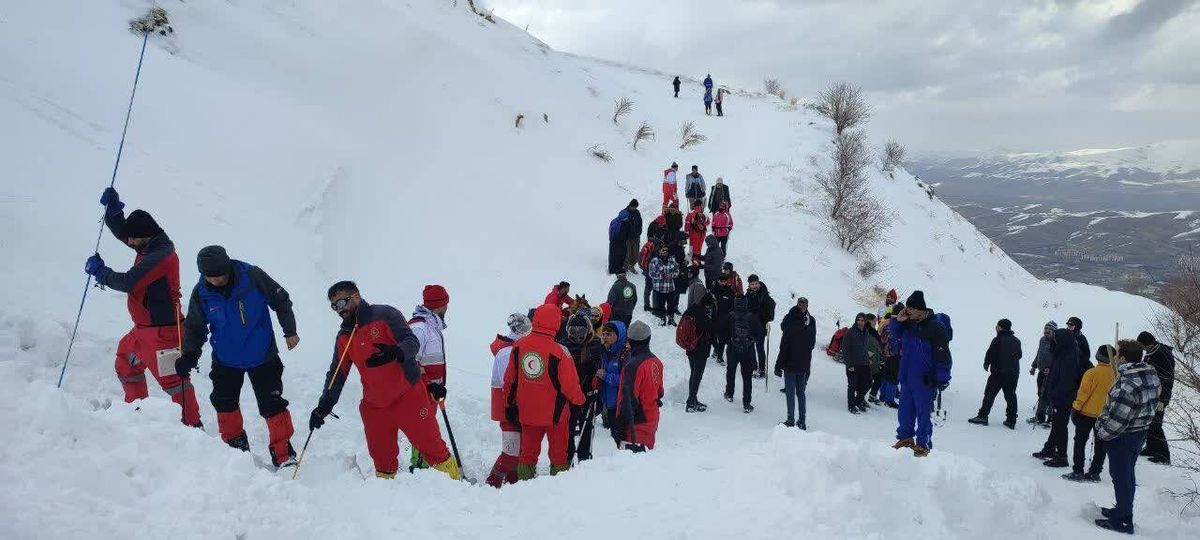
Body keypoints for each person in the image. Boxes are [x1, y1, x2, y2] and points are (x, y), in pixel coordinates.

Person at [309, 281, 460, 480]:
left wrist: (396, 352)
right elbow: (337, 374)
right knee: (383, 462)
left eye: (342, 302)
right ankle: (387, 502)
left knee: (434, 450)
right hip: (375, 407)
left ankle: (457, 490)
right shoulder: (345, 337)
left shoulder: (385, 315)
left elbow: (411, 341)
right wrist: (324, 405)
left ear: (355, 296)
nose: (339, 309)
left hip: (409, 397)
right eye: (334, 306)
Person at [85, 188, 200, 426]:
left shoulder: (162, 256)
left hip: (163, 333)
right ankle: (137, 414)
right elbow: (127, 235)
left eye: (133, 239)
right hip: (143, 331)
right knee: (126, 362)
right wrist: (114, 214)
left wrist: (102, 273)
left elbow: (129, 282)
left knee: (174, 383)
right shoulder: (149, 244)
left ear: (144, 236)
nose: (129, 242)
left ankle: (192, 429)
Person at [177, 246, 298, 467]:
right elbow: (195, 328)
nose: (217, 281)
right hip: (225, 359)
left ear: (228, 266)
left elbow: (281, 300)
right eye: (210, 277)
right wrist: (189, 356)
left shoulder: (252, 276)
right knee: (224, 403)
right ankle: (236, 450)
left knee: (273, 404)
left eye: (220, 276)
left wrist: (290, 331)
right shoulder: (201, 292)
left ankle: (283, 453)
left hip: (262, 355)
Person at [503, 304, 586, 479]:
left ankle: (524, 486)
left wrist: (509, 404)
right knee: (558, 455)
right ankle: (557, 490)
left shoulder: (519, 346)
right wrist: (580, 401)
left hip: (527, 413)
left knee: (527, 454)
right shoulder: (560, 351)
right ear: (557, 323)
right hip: (555, 416)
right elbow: (570, 385)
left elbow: (510, 379)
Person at [1094, 340, 1161, 534]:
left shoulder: (1127, 384)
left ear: (1122, 358)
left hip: (1123, 437)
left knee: (1121, 477)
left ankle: (1123, 520)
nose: (1114, 358)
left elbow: (1117, 420)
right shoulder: (1150, 375)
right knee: (1127, 475)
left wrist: (1102, 431)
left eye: (1117, 355)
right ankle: (1122, 510)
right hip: (1139, 432)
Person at [889, 291, 951, 457]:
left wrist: (942, 376)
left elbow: (943, 354)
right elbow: (894, 335)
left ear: (921, 309)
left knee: (923, 414)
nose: (908, 311)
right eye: (907, 308)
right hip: (907, 377)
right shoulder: (907, 324)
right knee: (904, 411)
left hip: (924, 378)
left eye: (911, 308)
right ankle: (905, 438)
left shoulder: (935, 327)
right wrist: (898, 321)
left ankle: (923, 444)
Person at [406, 284, 451, 470]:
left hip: (430, 393)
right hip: (420, 393)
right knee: (423, 433)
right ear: (441, 305)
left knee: (426, 431)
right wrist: (429, 385)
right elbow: (410, 361)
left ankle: (424, 470)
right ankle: (418, 470)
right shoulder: (420, 328)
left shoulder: (431, 327)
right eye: (446, 304)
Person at [486, 313, 532, 488]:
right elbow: (510, 384)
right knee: (511, 452)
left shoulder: (512, 348)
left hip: (511, 408)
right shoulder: (508, 352)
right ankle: (493, 481)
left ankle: (513, 481)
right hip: (509, 410)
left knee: (518, 449)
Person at [1063, 345, 1117, 483]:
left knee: (1080, 442)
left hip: (1086, 414)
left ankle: (1078, 470)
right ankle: (1095, 471)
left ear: (1098, 356)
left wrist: (1075, 408)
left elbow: (1083, 394)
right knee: (1101, 445)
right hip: (1105, 415)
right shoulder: (1116, 374)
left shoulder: (1091, 373)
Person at [558, 307, 604, 463]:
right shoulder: (563, 345)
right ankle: (568, 454)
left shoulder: (596, 343)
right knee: (569, 427)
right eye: (573, 331)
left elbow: (601, 364)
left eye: (581, 331)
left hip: (589, 390)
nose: (577, 336)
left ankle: (583, 457)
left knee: (587, 425)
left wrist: (595, 371)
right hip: (570, 392)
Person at [1033, 325, 1083, 467]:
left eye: (1056, 338)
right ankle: (1049, 449)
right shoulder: (1062, 353)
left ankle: (1061, 456)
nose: (1054, 340)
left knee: (1060, 426)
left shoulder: (1069, 358)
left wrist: (1056, 395)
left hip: (1062, 398)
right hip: (1058, 396)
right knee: (1057, 425)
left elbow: (1066, 382)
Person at [615, 321, 665, 451]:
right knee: (645, 463)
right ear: (648, 339)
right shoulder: (656, 361)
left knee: (632, 466)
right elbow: (660, 392)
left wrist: (619, 427)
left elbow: (628, 400)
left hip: (635, 425)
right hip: (651, 418)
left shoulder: (632, 366)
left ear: (629, 340)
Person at [968, 319, 1023, 429]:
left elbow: (990, 354)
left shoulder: (997, 340)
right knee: (1011, 396)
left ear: (1001, 327)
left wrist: (986, 363)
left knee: (989, 394)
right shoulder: (1017, 341)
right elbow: (1019, 355)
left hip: (998, 373)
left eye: (997, 325)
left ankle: (983, 416)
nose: (996, 327)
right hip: (1013, 374)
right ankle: (1011, 420)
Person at [774, 297, 816, 429]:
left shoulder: (789, 329)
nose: (803, 306)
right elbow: (811, 344)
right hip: (803, 363)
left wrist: (778, 366)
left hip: (790, 365)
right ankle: (802, 421)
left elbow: (783, 349)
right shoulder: (808, 328)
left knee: (791, 394)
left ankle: (791, 419)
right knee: (801, 393)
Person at [1137, 331, 1176, 465]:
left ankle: (1164, 455)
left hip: (1161, 396)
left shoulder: (1161, 354)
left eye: (1141, 345)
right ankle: (1152, 448)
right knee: (1150, 421)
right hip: (1152, 393)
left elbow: (1166, 378)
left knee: (1156, 424)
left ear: (1146, 343)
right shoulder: (1152, 351)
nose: (1141, 348)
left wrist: (1162, 399)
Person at [721, 296, 762, 413]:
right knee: (747, 377)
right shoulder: (752, 317)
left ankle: (729, 393)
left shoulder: (730, 316)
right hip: (748, 351)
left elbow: (722, 332)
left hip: (732, 350)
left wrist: (729, 341)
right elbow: (759, 333)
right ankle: (747, 403)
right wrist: (751, 340)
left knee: (731, 372)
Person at [680, 293, 716, 412]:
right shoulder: (704, 314)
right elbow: (710, 329)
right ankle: (690, 402)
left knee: (693, 374)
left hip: (690, 348)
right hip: (700, 349)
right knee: (697, 376)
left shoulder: (691, 309)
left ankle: (693, 399)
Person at [597, 321, 630, 440]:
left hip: (621, 405)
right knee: (616, 437)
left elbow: (626, 380)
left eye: (609, 334)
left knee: (622, 439)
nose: (605, 337)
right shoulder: (605, 351)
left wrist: (606, 376)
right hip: (609, 403)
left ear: (619, 335)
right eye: (604, 334)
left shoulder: (626, 354)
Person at [841, 314, 873, 413]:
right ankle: (851, 405)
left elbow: (865, 348)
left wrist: (868, 359)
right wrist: (849, 364)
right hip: (853, 364)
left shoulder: (866, 332)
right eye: (858, 320)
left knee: (867, 383)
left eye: (862, 320)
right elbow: (845, 349)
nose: (860, 322)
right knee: (852, 385)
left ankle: (858, 401)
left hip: (864, 363)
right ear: (856, 321)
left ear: (865, 321)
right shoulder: (850, 332)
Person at [745, 275, 776, 378]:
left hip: (760, 326)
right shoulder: (748, 295)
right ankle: (753, 365)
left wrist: (760, 315)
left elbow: (770, 312)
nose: (754, 286)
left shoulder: (764, 295)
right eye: (752, 284)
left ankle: (762, 370)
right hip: (749, 325)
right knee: (750, 347)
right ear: (749, 285)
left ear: (759, 283)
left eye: (756, 283)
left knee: (759, 348)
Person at [1027, 322, 1057, 426]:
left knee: (1048, 395)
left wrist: (1051, 369)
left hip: (1052, 374)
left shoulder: (1057, 342)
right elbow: (1039, 354)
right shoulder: (1042, 340)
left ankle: (1050, 419)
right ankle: (1040, 417)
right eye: (1045, 330)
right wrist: (1034, 366)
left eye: (1049, 331)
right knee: (1041, 393)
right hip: (1041, 371)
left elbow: (1059, 359)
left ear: (1053, 331)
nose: (1046, 332)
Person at [648, 245, 680, 326]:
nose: (665, 252)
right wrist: (662, 276)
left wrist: (672, 275)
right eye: (663, 250)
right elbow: (651, 273)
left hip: (670, 288)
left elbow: (677, 271)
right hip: (660, 288)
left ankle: (671, 319)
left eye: (666, 250)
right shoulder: (654, 260)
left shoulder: (672, 259)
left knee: (671, 305)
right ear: (659, 251)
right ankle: (663, 318)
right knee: (661, 305)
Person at [877, 306, 902, 409]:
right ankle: (890, 400)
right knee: (893, 376)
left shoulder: (885, 322)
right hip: (896, 354)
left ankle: (883, 396)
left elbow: (879, 333)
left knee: (885, 374)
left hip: (884, 352)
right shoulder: (899, 324)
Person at [710, 277, 736, 366]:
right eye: (721, 281)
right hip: (713, 317)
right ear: (718, 281)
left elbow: (733, 306)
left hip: (725, 319)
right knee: (712, 336)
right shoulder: (713, 289)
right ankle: (716, 349)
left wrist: (730, 316)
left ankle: (719, 357)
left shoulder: (730, 291)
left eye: (724, 281)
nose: (723, 283)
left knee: (722, 338)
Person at [607, 208, 631, 275]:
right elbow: (612, 233)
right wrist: (615, 239)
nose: (626, 219)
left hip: (623, 242)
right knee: (614, 256)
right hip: (615, 242)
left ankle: (620, 268)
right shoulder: (615, 223)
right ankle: (613, 270)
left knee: (622, 255)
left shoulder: (626, 222)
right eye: (625, 218)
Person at [623, 199, 643, 274]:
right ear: (630, 205)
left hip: (636, 237)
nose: (634, 208)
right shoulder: (624, 213)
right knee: (627, 253)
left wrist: (639, 232)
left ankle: (631, 266)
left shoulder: (637, 212)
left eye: (635, 207)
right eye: (633, 207)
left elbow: (640, 223)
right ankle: (625, 268)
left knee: (636, 254)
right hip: (627, 238)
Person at [638, 238, 656, 310]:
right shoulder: (653, 246)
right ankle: (649, 305)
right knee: (652, 288)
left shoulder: (648, 245)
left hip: (647, 269)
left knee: (648, 288)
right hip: (650, 270)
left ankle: (646, 304)